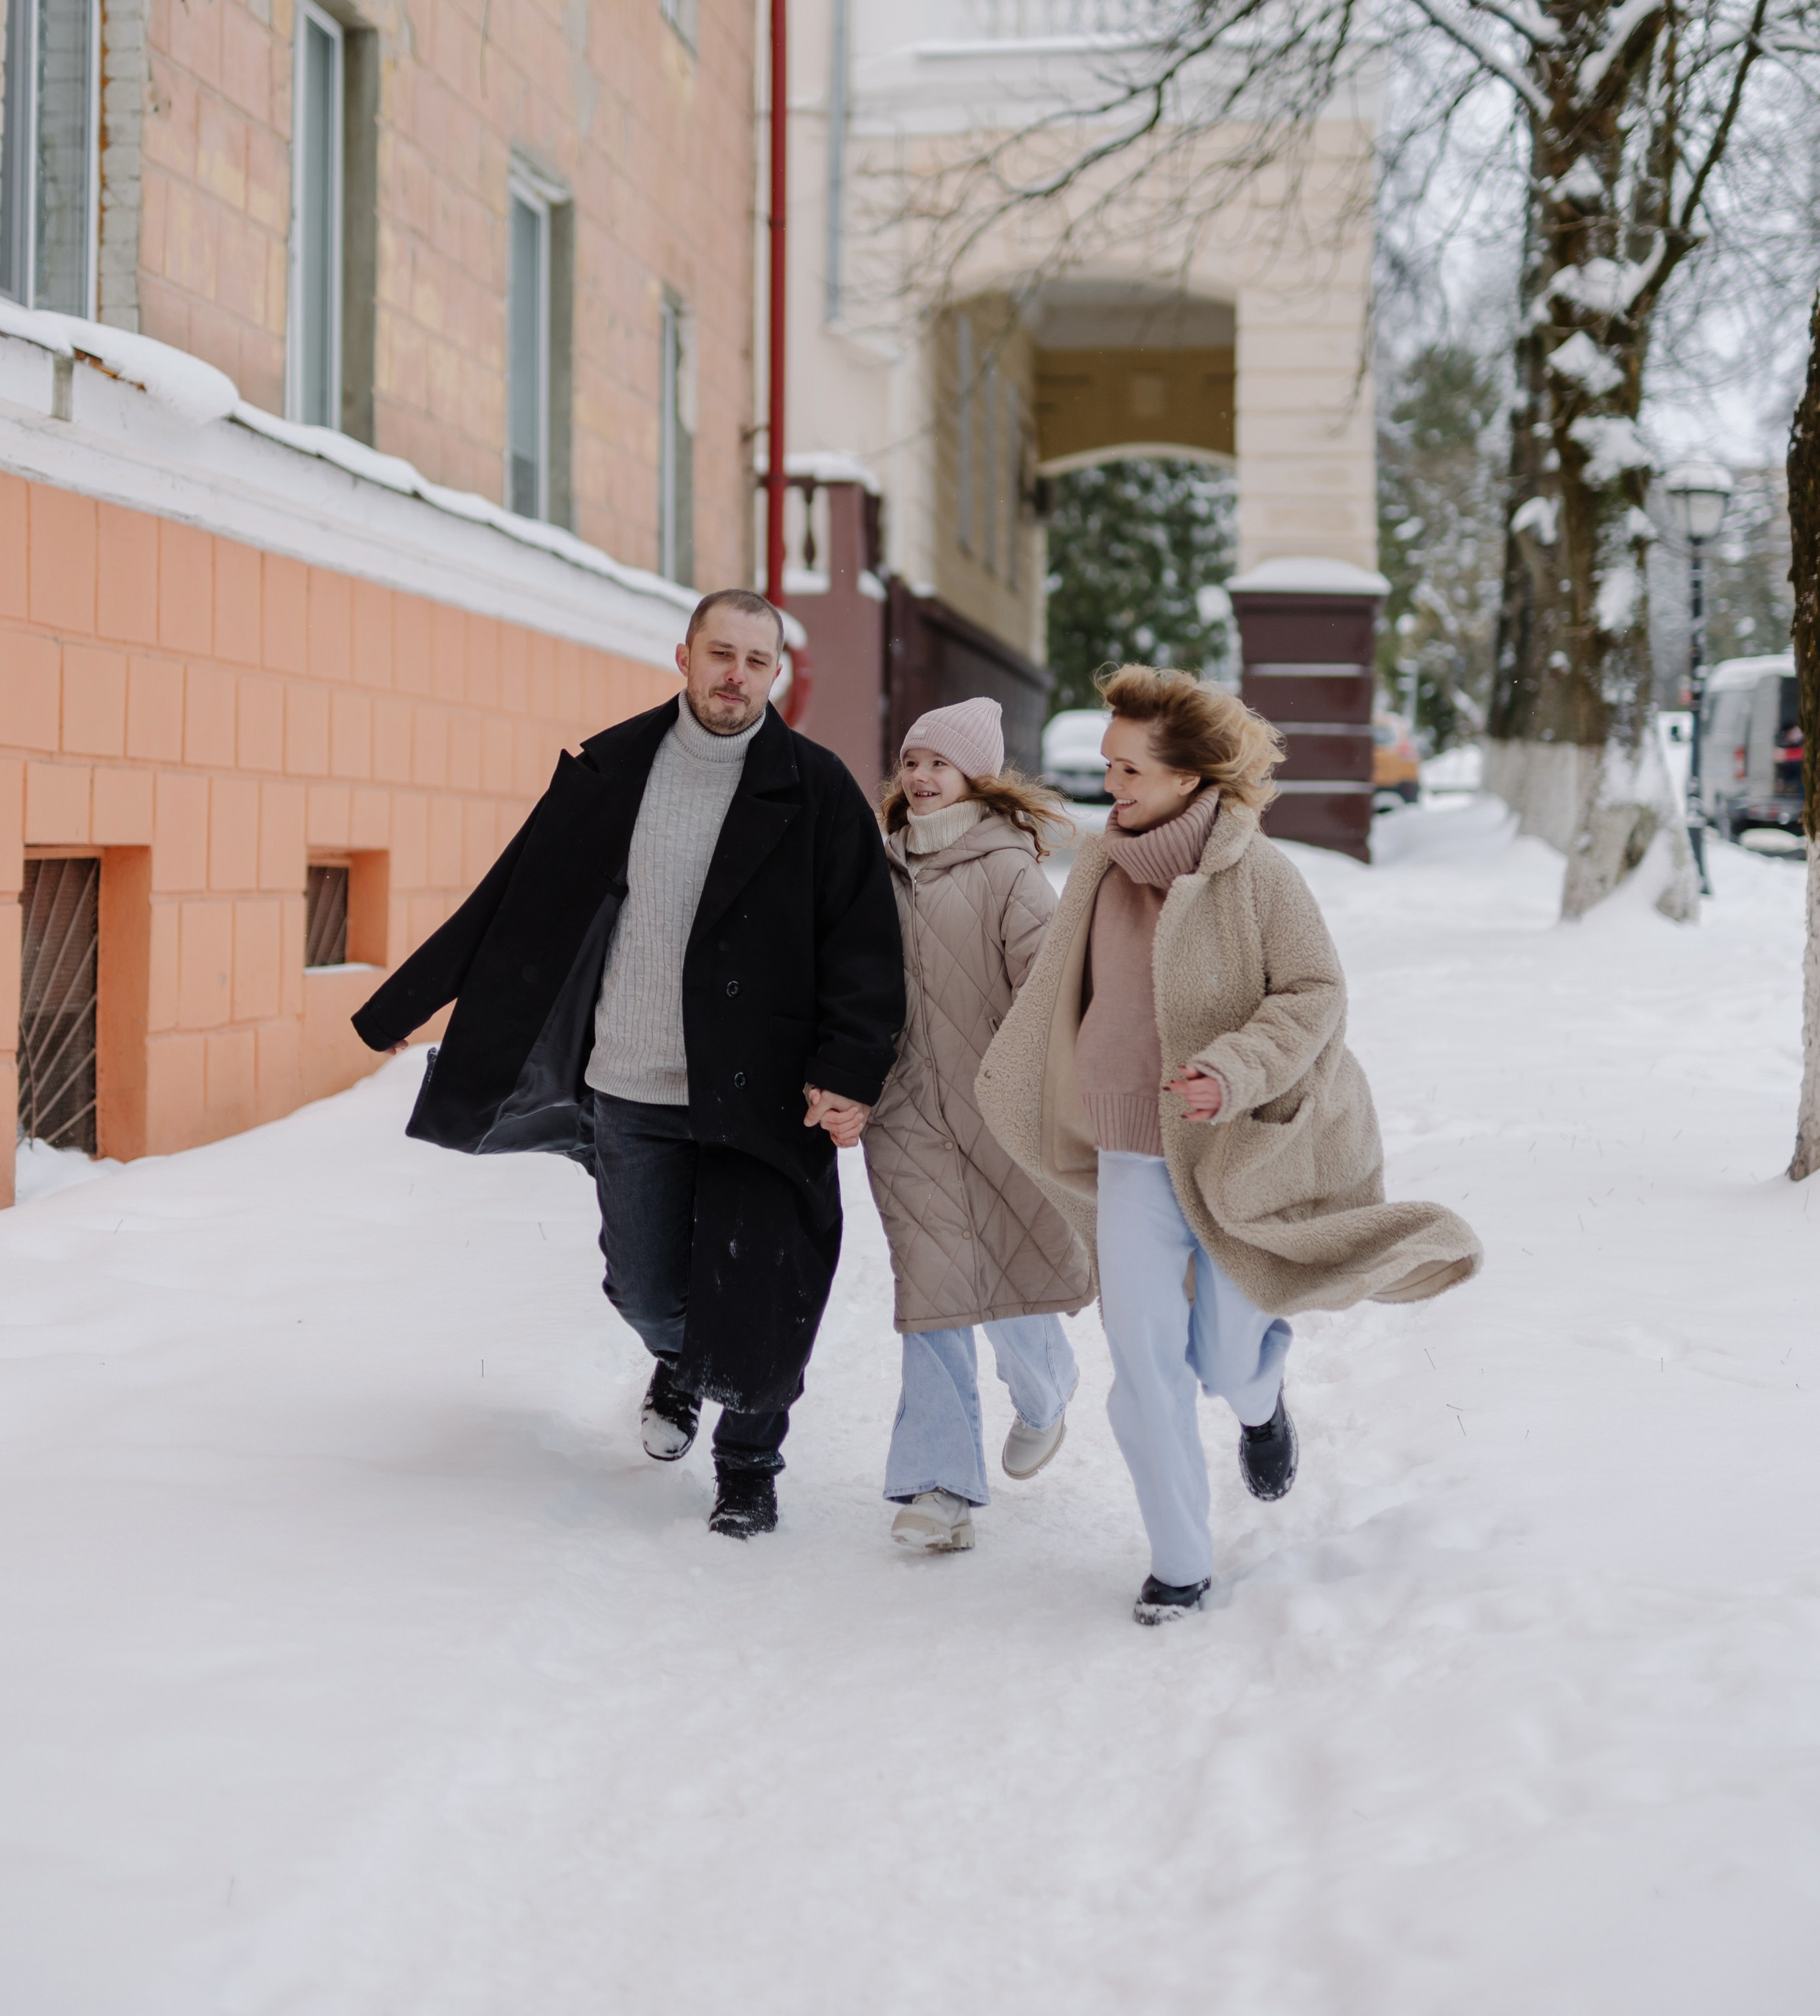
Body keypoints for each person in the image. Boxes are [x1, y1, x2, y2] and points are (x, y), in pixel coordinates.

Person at [352, 590, 905, 1540]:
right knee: (646, 1287)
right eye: (720, 654)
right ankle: (685, 1367)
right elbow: (511, 895)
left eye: (756, 662)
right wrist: (403, 1006)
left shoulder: (815, 791)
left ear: (777, 675)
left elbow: (863, 946)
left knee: (763, 1287)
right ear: (684, 655)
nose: (736, 676)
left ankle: (748, 1464)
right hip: (630, 1083)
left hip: (760, 1094)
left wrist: (849, 1070)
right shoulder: (611, 768)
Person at [977, 665, 1481, 1625]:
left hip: (1241, 1157)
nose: (1111, 782)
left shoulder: (1258, 872)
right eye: (1109, 764)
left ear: (1187, 775)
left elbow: (1314, 995)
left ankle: (1261, 1403)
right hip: (1132, 1152)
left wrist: (1233, 1073)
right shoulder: (1099, 862)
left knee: (1222, 1355)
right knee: (1145, 1365)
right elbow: (1062, 992)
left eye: (1128, 767)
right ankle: (1179, 1563)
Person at [853, 697, 1094, 1555]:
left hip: (997, 1112)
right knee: (933, 1289)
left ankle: (1047, 1389)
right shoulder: (873, 867)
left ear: (974, 779)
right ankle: (938, 1484)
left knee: (1011, 1272)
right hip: (906, 1114)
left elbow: (1052, 987)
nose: (919, 777)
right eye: (911, 761)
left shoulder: (1008, 870)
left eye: (938, 765)